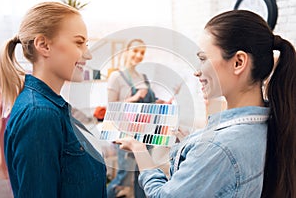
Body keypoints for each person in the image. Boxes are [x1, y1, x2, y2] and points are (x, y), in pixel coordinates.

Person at [114, 10, 296, 198]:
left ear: (238, 62)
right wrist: (190, 143)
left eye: (203, 59)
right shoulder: (269, 123)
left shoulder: (220, 147)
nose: (197, 71)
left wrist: (139, 149)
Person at [0, 2, 107, 197]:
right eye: (79, 42)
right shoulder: (40, 115)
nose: (88, 54)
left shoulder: (51, 107)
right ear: (43, 45)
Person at [107, 39, 160, 198]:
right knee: (124, 177)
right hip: (127, 133)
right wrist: (134, 97)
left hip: (147, 133)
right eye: (135, 51)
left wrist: (158, 102)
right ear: (126, 52)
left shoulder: (143, 77)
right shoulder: (116, 76)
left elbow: (150, 103)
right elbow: (111, 107)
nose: (138, 55)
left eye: (142, 52)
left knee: (142, 175)